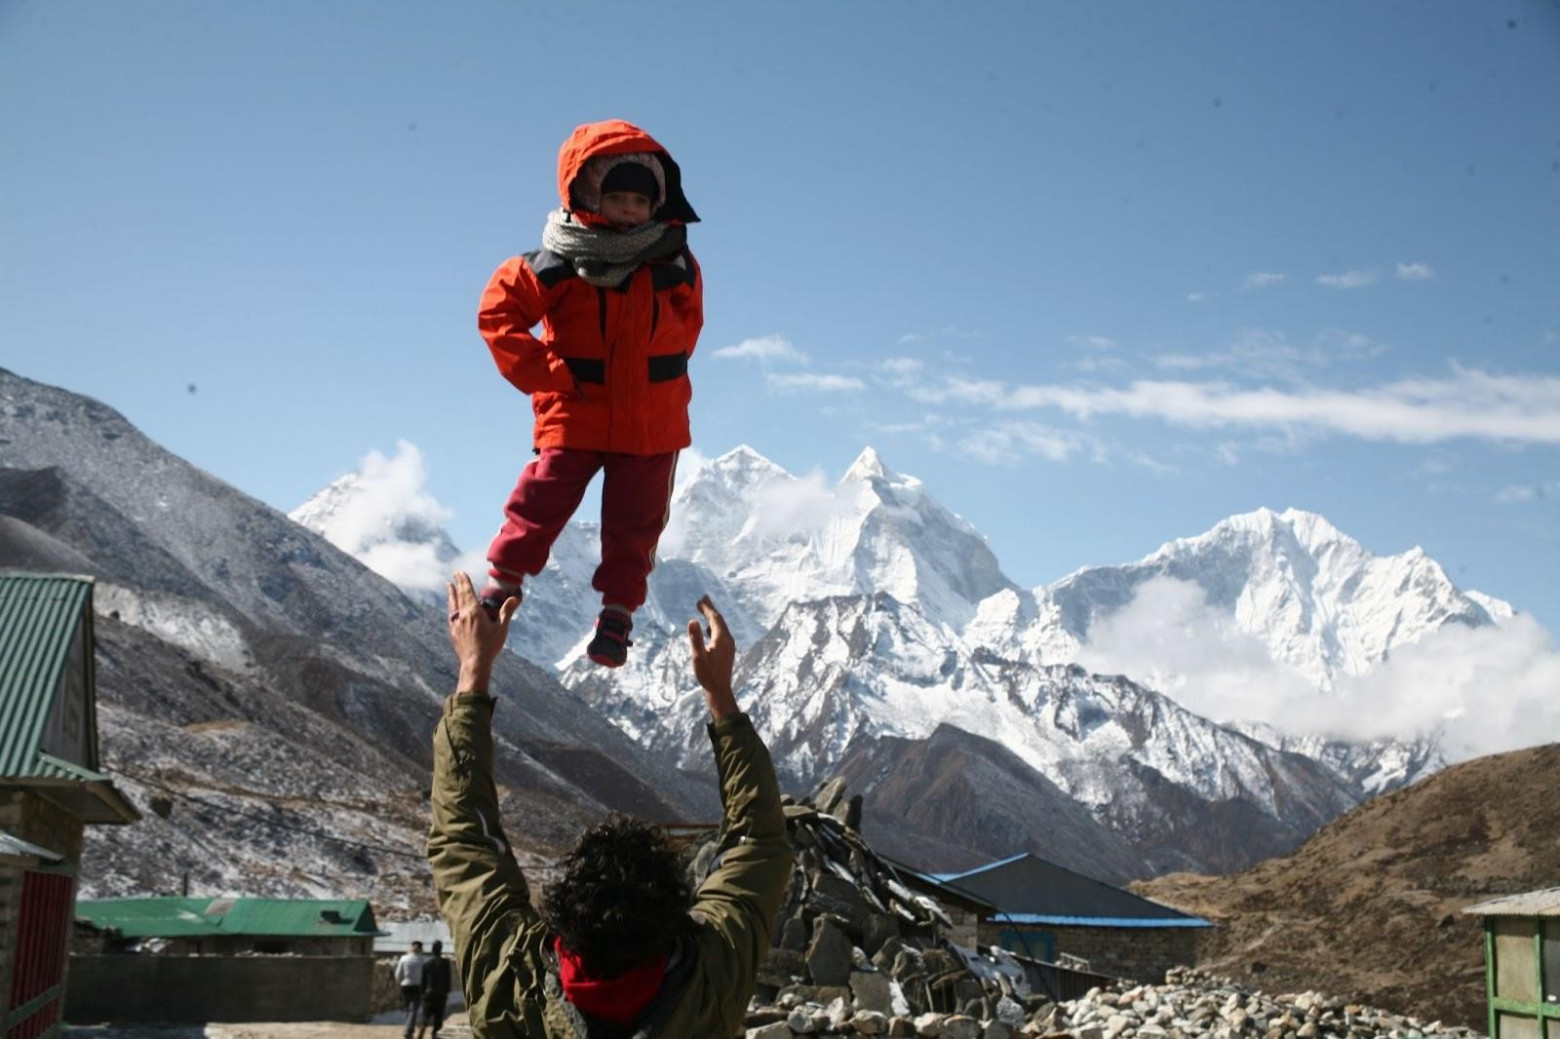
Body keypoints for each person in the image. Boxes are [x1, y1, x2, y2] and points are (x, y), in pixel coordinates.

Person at [428, 574, 792, 1036]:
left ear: (563, 922)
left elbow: (463, 838)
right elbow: (758, 842)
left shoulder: (511, 984)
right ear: (676, 917)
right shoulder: (710, 985)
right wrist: (721, 696)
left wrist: (472, 668)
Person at [476, 118, 704, 668]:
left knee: (636, 526)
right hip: (575, 411)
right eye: (617, 198)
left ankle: (617, 615)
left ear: (657, 204)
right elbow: (498, 314)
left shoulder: (675, 261)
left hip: (651, 426)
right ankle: (502, 582)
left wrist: (659, 385)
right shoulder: (555, 260)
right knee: (540, 501)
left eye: (639, 201)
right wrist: (547, 374)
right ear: (587, 194)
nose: (629, 210)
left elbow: (688, 328)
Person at [418, 939, 453, 1039]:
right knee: (438, 1018)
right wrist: (447, 991)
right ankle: (435, 1036)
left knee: (426, 1015)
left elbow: (423, 980)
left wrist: (423, 993)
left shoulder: (427, 963)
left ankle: (422, 1030)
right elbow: (447, 978)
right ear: (440, 949)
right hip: (441, 994)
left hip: (429, 993)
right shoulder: (445, 963)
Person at [394, 939, 426, 1038]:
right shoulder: (422, 960)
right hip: (417, 987)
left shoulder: (404, 959)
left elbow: (398, 975)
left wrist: (400, 983)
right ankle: (408, 1030)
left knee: (409, 1009)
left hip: (405, 986)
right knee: (413, 1010)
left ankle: (409, 1029)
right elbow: (424, 976)